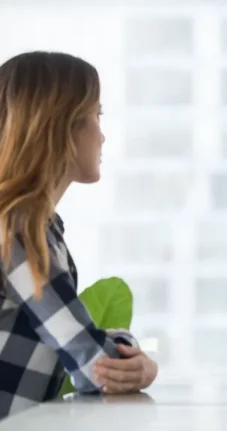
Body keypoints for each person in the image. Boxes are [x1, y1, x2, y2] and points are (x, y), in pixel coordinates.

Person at [0, 51, 158, 418]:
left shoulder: (33, 224)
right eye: (95, 117)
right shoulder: (18, 227)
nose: (102, 136)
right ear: (60, 126)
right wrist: (136, 355)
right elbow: (95, 367)